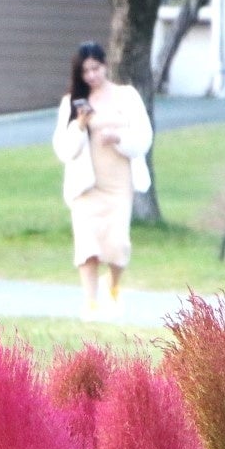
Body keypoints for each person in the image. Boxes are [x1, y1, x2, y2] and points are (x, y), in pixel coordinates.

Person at [51, 41, 152, 321]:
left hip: (119, 183)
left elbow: (143, 137)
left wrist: (118, 138)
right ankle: (90, 302)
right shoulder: (71, 102)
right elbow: (64, 150)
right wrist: (80, 126)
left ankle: (114, 288)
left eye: (96, 68)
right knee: (88, 245)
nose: (92, 76)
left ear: (105, 66)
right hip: (86, 186)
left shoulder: (127, 96)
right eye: (86, 71)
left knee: (117, 243)